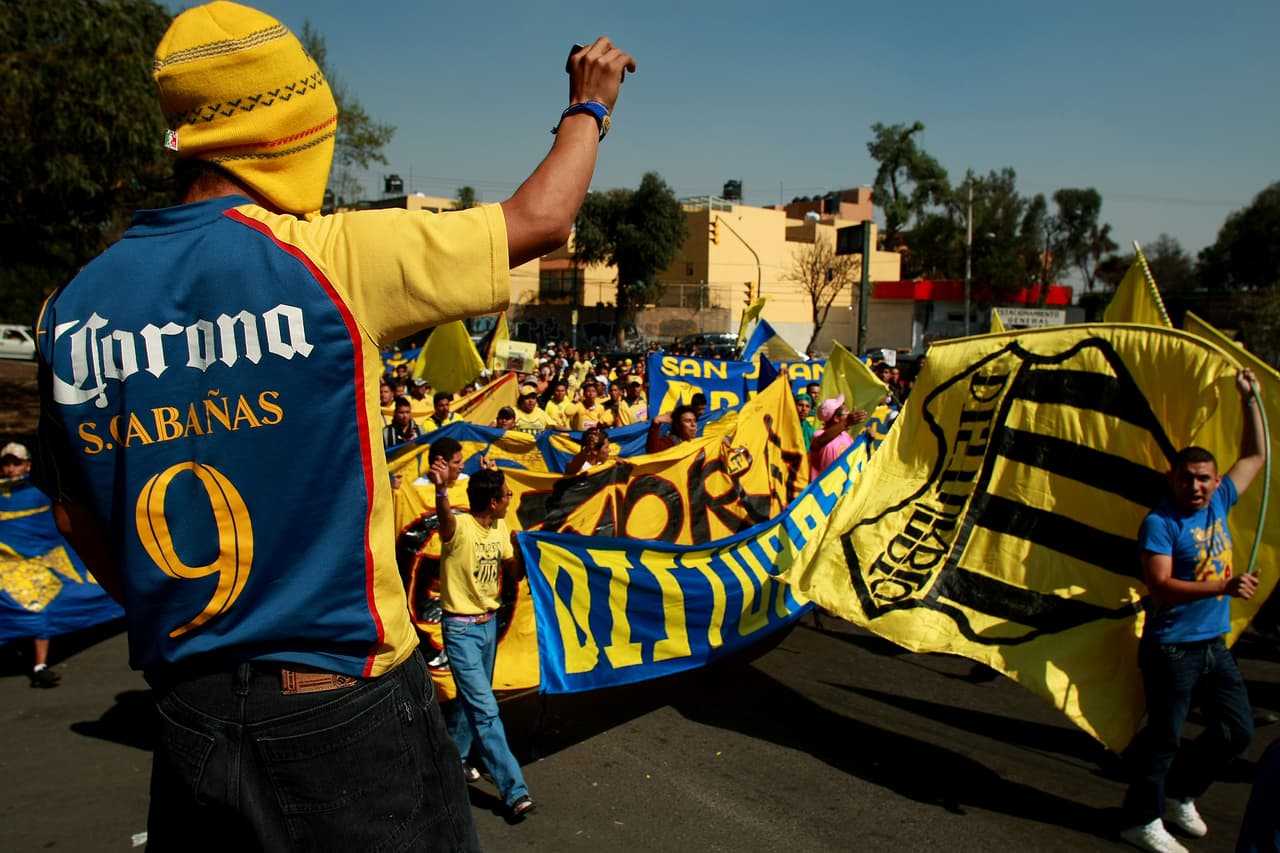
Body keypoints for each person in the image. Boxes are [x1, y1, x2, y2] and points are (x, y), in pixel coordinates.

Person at [35, 2, 634, 847]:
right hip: (344, 701)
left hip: (185, 704)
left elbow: (72, 518)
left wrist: (187, 617)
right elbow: (542, 219)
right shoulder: (331, 255)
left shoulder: (70, 309)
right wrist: (590, 105)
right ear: (287, 126)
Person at [1119, 369, 1265, 853]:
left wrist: (1251, 401)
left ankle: (1181, 793)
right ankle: (1140, 820)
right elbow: (1160, 586)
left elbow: (1256, 455)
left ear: (1216, 481)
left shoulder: (1221, 500)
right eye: (1187, 479)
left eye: (1203, 479)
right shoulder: (1160, 523)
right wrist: (1222, 585)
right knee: (1163, 739)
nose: (1196, 487)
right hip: (1172, 650)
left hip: (1213, 645)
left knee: (1236, 732)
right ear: (1173, 479)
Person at [428, 465, 534, 818]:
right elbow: (445, 521)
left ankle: (455, 758)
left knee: (470, 700)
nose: (510, 499)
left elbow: (513, 574)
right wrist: (442, 491)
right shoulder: (458, 528)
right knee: (486, 711)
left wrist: (520, 551)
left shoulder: (500, 526)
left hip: (488, 627)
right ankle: (514, 790)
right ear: (492, 502)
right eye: (506, 495)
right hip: (460, 632)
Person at [2, 443, 61, 688]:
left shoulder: (39, 490)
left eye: (16, 463)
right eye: (6, 463)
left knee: (37, 605)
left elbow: (51, 527)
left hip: (35, 562)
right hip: (5, 564)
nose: (11, 468)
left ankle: (39, 665)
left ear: (27, 465)